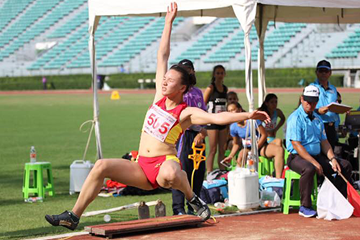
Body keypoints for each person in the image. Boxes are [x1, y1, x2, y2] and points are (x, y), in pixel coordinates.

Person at [45, 2, 270, 231]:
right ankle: (73, 216)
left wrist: (249, 113)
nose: (164, 81)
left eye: (170, 80)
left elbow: (218, 118)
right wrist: (168, 23)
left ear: (182, 88)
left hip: (165, 166)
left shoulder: (185, 112)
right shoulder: (157, 98)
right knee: (101, 165)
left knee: (173, 172)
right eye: (164, 79)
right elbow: (162, 55)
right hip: (142, 167)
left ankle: (192, 197)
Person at [286, 85, 352, 218]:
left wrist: (333, 158)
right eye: (307, 101)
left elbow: (324, 142)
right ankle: (304, 206)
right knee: (309, 168)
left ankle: (336, 202)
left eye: (313, 101)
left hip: (317, 156)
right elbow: (297, 145)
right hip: (297, 157)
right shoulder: (295, 118)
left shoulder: (317, 119)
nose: (310, 104)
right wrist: (314, 162)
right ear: (302, 99)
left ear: (317, 101)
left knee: (344, 165)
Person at [172, 59, 207, 216]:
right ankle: (178, 208)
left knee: (198, 171)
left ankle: (193, 207)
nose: (188, 72)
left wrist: (201, 133)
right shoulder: (179, 92)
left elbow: (204, 115)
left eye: (189, 69)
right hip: (182, 135)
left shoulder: (198, 92)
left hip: (198, 136)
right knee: (181, 171)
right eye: (184, 69)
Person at [224, 102, 284, 178]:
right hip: (247, 149)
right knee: (241, 156)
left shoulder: (252, 120)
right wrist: (231, 156)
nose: (231, 112)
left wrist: (255, 149)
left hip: (260, 147)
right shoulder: (233, 127)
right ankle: (240, 179)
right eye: (229, 111)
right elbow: (236, 144)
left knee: (279, 150)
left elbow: (264, 135)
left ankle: (278, 180)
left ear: (239, 110)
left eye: (233, 110)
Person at [203, 65, 228, 173]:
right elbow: (203, 104)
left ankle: (222, 171)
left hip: (223, 121)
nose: (220, 75)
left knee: (222, 149)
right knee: (213, 149)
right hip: (212, 122)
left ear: (224, 74)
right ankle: (209, 172)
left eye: (221, 73)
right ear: (214, 74)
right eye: (217, 73)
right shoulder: (210, 88)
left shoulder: (225, 88)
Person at [310, 60, 339, 149]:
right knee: (319, 155)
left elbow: (335, 108)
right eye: (321, 71)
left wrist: (341, 109)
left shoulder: (333, 89)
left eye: (326, 71)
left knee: (331, 154)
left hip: (331, 127)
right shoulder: (311, 87)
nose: (323, 73)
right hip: (317, 126)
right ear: (316, 72)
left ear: (330, 73)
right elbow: (304, 108)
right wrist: (317, 111)